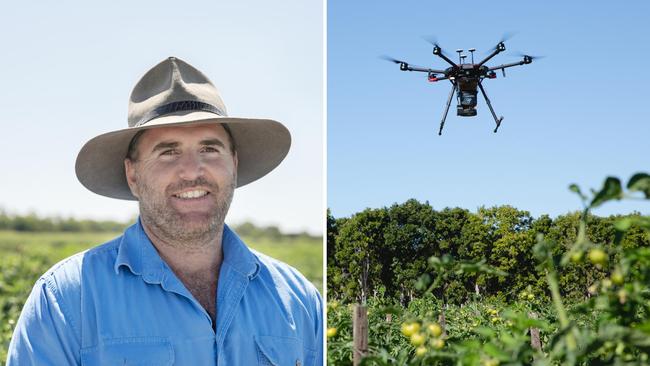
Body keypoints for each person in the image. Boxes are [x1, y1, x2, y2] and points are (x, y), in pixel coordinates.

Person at [7, 57, 323, 365]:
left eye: (209, 149)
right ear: (133, 175)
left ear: (234, 164)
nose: (191, 171)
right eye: (168, 152)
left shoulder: (300, 300)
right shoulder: (64, 299)